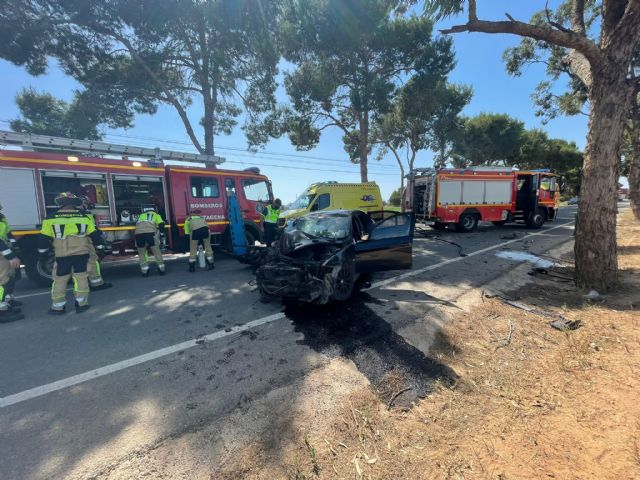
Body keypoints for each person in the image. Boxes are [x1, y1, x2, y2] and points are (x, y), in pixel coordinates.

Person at [39, 192, 104, 315]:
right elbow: (94, 234)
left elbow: (43, 238)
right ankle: (82, 304)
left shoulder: (50, 218)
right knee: (81, 278)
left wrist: (42, 252)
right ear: (75, 203)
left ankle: (58, 307)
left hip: (62, 255)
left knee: (60, 280)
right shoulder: (84, 217)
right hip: (81, 254)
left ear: (60, 203)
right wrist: (100, 246)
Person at [80, 196, 112, 291]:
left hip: (73, 244)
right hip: (86, 241)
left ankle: (86, 283)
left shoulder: (76, 214)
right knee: (93, 261)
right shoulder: (83, 214)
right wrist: (100, 240)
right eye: (86, 203)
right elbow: (92, 229)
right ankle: (96, 283)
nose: (87, 205)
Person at [0, 202, 23, 322]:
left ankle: (7, 302)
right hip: (2, 254)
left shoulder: (1, 217)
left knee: (10, 278)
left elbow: (8, 233)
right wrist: (11, 257)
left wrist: (15, 246)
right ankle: (1, 311)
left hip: (4, 253)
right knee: (2, 281)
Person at [135, 207, 166, 277]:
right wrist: (161, 234)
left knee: (142, 253)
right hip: (150, 233)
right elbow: (161, 224)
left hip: (138, 234)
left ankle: (144, 272)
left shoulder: (141, 215)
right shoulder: (156, 215)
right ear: (154, 211)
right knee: (156, 251)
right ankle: (161, 269)